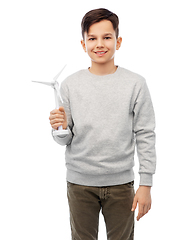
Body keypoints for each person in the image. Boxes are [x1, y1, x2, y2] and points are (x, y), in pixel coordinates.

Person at [49, 8, 156, 240]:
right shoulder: (69, 85)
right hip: (79, 184)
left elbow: (145, 133)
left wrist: (145, 184)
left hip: (121, 185)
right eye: (92, 38)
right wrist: (61, 127)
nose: (100, 44)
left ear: (118, 41)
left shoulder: (135, 84)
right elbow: (64, 139)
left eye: (107, 37)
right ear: (83, 43)